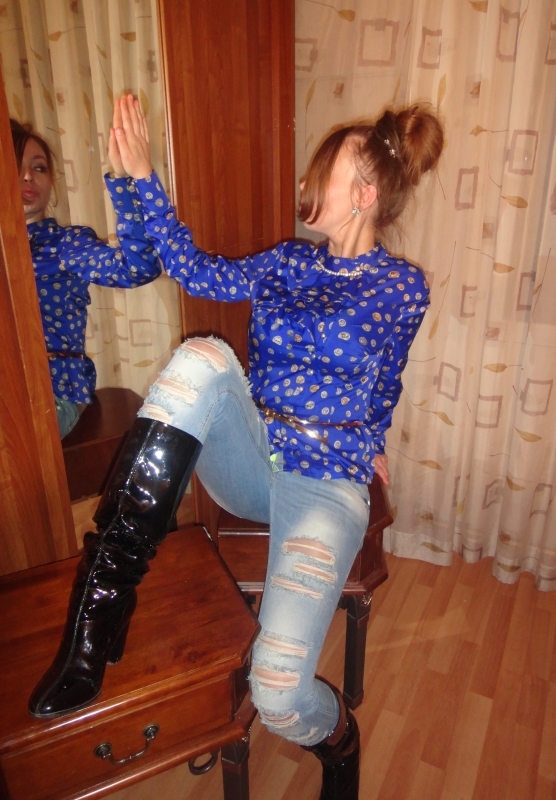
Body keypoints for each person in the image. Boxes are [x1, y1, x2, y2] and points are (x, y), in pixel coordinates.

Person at [29, 95, 443, 800]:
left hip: (326, 486)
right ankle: (99, 610)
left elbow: (386, 380)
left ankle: (340, 740)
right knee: (203, 358)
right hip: (254, 456)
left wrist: (373, 441)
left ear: (365, 195)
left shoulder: (403, 288)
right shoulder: (287, 261)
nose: (306, 183)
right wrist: (140, 178)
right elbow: (194, 270)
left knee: (278, 694)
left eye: (323, 173)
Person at [11, 116, 162, 439]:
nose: (27, 176)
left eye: (39, 167)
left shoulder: (65, 245)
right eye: (14, 166)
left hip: (51, 395)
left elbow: (139, 268)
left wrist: (121, 179)